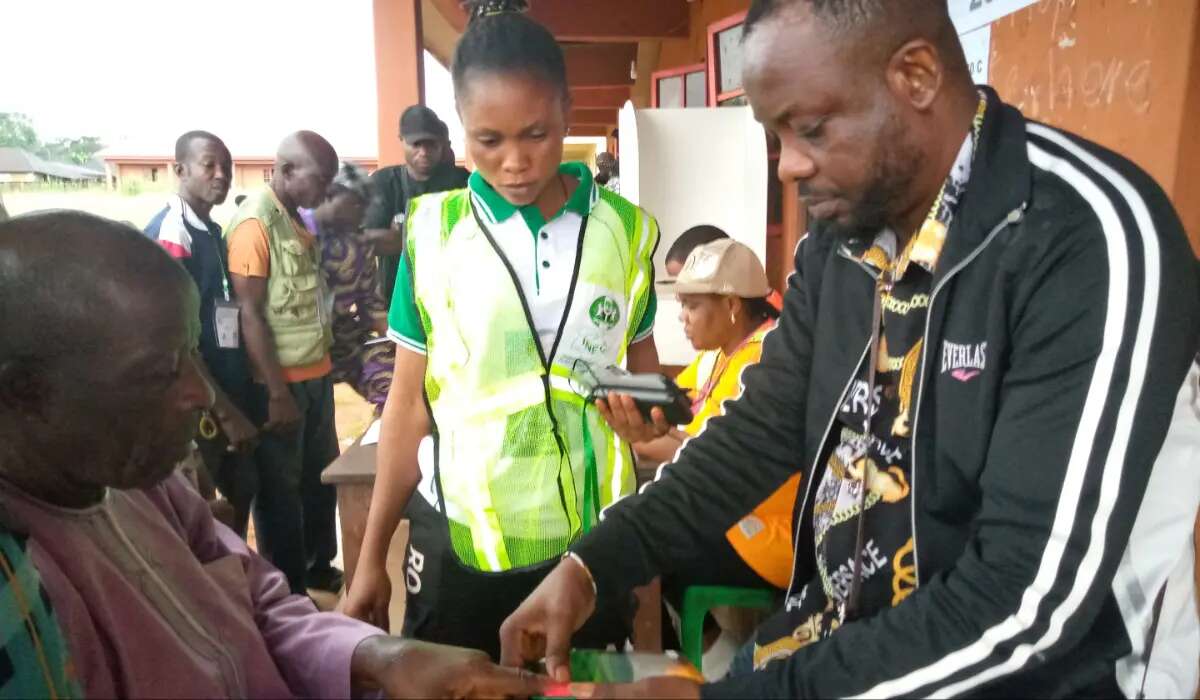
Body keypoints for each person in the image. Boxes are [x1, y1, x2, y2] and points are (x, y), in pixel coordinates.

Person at [500, 1, 1200, 697]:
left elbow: (1026, 601)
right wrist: (593, 566)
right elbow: (758, 431)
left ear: (916, 76)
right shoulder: (841, 241)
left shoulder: (1086, 242)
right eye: (776, 135)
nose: (788, 167)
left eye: (808, 129)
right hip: (829, 651)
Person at [0, 211, 549, 699]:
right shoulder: (20, 591)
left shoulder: (146, 485)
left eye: (191, 350)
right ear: (18, 392)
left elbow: (259, 600)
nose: (201, 392)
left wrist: (379, 656)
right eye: (159, 372)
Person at [340, 0, 664, 660]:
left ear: (568, 114)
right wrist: (369, 558)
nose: (514, 161)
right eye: (490, 141)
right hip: (462, 542)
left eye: (535, 135)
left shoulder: (626, 233)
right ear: (462, 131)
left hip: (589, 545)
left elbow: (644, 378)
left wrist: (650, 419)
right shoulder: (433, 235)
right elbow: (407, 408)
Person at [226, 131, 341, 595]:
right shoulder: (255, 224)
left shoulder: (299, 219)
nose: (327, 189)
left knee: (320, 479)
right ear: (288, 171)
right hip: (282, 385)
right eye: (322, 179)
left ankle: (318, 566)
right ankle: (288, 588)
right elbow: (248, 312)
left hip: (315, 373)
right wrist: (275, 393)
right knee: (280, 493)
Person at [145, 130, 259, 536]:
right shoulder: (173, 233)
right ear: (180, 170)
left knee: (239, 494)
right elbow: (172, 338)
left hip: (225, 388)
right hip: (200, 402)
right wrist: (224, 413)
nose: (221, 175)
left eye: (226, 167)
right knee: (210, 515)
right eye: (209, 164)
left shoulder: (209, 229)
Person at [300, 162, 395, 414]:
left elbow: (372, 307)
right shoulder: (293, 231)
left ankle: (387, 435)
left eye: (365, 206)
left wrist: (403, 345)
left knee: (397, 377)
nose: (362, 213)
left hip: (340, 340)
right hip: (294, 346)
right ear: (329, 194)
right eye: (356, 204)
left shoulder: (357, 247)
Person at [362, 105, 471, 301]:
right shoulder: (383, 182)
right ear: (401, 140)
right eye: (416, 144)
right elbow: (368, 242)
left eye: (431, 145)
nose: (424, 152)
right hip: (398, 298)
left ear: (442, 144)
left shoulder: (462, 182)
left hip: (452, 298)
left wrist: (401, 233)